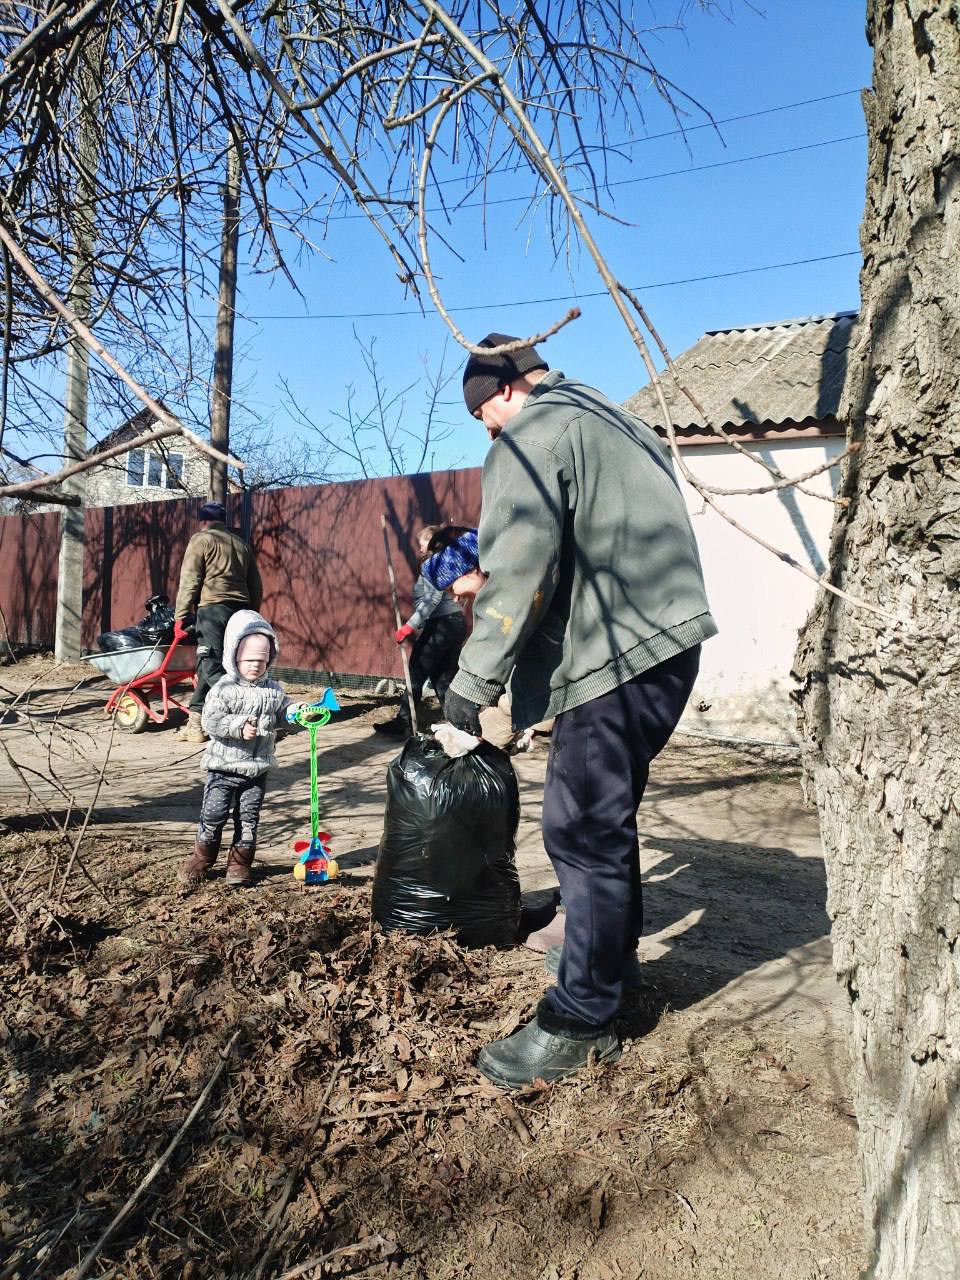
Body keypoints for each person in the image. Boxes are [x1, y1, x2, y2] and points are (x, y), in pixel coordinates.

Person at [442, 332, 718, 1088]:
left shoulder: (531, 436)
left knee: (580, 826)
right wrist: (492, 580)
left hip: (615, 655)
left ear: (501, 392)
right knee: (602, 821)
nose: (488, 433)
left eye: (483, 417)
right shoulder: (604, 414)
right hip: (664, 642)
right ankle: (613, 974)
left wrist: (474, 682)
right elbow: (583, 542)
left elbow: (526, 563)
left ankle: (581, 1019)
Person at [176, 609, 333, 889]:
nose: (254, 666)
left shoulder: (273, 691)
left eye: (261, 661)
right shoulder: (222, 689)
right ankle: (202, 857)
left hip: (257, 769)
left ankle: (239, 863)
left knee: (248, 820)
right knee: (213, 816)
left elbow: (284, 711)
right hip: (222, 768)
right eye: (248, 660)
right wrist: (237, 727)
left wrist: (299, 712)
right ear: (233, 656)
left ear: (270, 659)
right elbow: (212, 720)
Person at [174, 500, 263, 743]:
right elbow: (256, 584)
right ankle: (195, 722)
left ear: (203, 521)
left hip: (213, 609)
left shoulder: (201, 540)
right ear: (223, 521)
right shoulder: (241, 544)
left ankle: (247, 709)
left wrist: (180, 615)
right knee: (217, 664)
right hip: (241, 611)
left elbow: (190, 579)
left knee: (211, 663)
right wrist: (251, 613)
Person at [373, 524, 468, 738]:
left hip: (442, 624)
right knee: (443, 680)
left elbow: (431, 600)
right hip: (452, 623)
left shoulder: (434, 564)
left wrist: (409, 626)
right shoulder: (446, 563)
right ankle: (461, 726)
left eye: (423, 543)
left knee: (415, 673)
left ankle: (405, 723)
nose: (420, 548)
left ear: (434, 542)